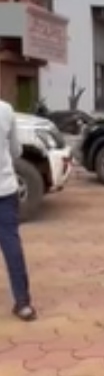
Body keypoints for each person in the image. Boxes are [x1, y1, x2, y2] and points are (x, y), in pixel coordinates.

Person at [0, 100, 34, 321]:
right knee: (11, 243)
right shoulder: (5, 109)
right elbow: (16, 150)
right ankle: (23, 304)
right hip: (4, 187)